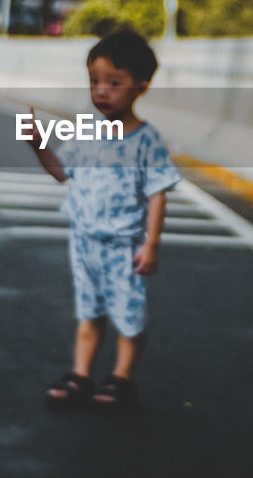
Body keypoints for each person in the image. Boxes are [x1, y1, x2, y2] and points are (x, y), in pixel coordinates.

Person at [27, 30, 181, 413]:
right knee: (89, 313)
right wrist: (37, 144)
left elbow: (157, 191)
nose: (101, 91)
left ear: (140, 88)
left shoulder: (147, 140)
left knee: (129, 315)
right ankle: (81, 375)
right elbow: (62, 173)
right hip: (83, 241)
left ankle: (121, 378)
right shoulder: (85, 131)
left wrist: (152, 243)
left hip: (122, 245)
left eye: (114, 83)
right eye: (94, 81)